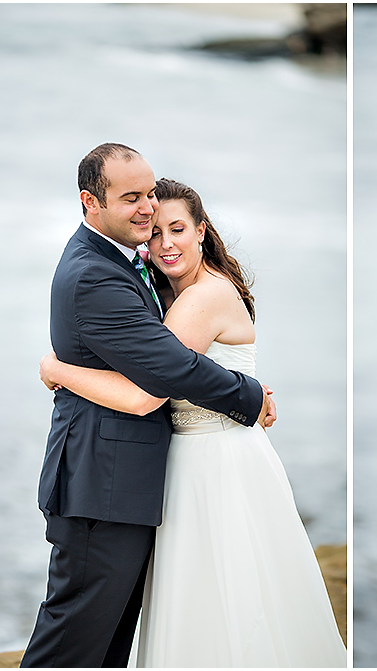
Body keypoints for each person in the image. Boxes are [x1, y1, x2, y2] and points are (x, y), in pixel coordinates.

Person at [38, 177, 347, 667]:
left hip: (215, 463)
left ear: (202, 231)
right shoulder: (169, 295)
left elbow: (143, 392)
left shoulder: (203, 298)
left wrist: (59, 370)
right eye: (154, 232)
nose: (164, 244)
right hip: (187, 461)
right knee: (200, 599)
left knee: (221, 602)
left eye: (177, 229)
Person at [21, 144, 273, 668]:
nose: (147, 208)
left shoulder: (124, 261)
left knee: (105, 647)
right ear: (91, 202)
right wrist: (250, 395)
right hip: (100, 489)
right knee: (69, 648)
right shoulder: (96, 275)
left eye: (150, 193)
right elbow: (169, 371)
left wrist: (60, 371)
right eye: (131, 197)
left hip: (123, 487)